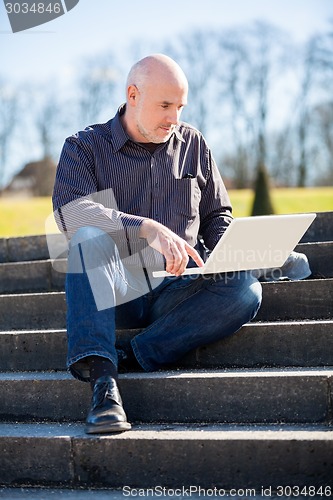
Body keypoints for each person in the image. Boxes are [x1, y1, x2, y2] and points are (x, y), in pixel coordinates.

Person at [52, 54, 263, 434]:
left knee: (246, 289)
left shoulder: (193, 144)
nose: (174, 118)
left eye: (180, 106)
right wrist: (146, 228)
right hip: (119, 291)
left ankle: (134, 354)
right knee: (85, 238)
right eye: (165, 105)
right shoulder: (83, 147)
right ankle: (104, 384)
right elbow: (72, 215)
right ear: (133, 94)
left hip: (178, 288)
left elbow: (218, 215)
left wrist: (229, 252)